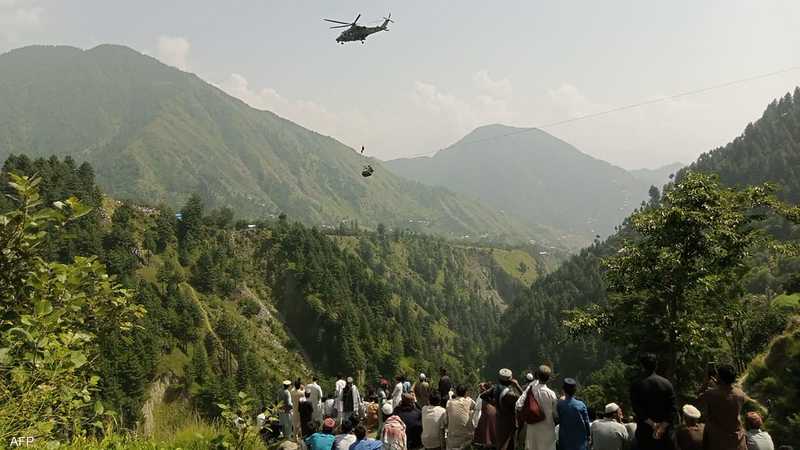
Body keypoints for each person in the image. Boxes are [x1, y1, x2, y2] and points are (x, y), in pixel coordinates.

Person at [630, 353, 676, 450]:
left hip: (644, 433)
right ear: (656, 365)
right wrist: (662, 426)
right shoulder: (667, 384)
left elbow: (637, 409)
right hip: (664, 434)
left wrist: (653, 424)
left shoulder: (636, 385)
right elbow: (673, 409)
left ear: (642, 366)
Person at [697, 363, 748, 450]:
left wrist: (706, 380)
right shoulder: (740, 394)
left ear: (719, 377)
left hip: (718, 442)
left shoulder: (711, 394)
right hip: (738, 442)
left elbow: (698, 399)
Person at [515, 365, 558, 450]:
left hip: (533, 429)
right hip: (548, 430)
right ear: (549, 378)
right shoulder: (551, 394)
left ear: (537, 376)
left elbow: (518, 405)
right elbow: (555, 414)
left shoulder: (531, 390)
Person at [481, 369, 522, 450]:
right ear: (510, 380)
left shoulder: (495, 388)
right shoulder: (510, 394)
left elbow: (483, 395)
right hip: (510, 422)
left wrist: (494, 404)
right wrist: (517, 385)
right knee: (510, 445)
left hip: (499, 420)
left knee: (501, 444)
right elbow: (523, 398)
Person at [555, 378, 590, 450]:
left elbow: (557, 418)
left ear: (563, 390)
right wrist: (588, 435)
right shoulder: (581, 405)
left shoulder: (560, 404)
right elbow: (586, 423)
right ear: (575, 391)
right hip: (580, 444)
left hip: (565, 444)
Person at [446, 385, 476, 450]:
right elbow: (476, 407)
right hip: (465, 438)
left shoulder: (449, 402)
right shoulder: (469, 400)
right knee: (471, 412)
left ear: (456, 393)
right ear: (466, 393)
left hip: (452, 438)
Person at [473, 382, 497, 450]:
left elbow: (477, 406)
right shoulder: (495, 398)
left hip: (484, 420)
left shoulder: (483, 397)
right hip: (491, 422)